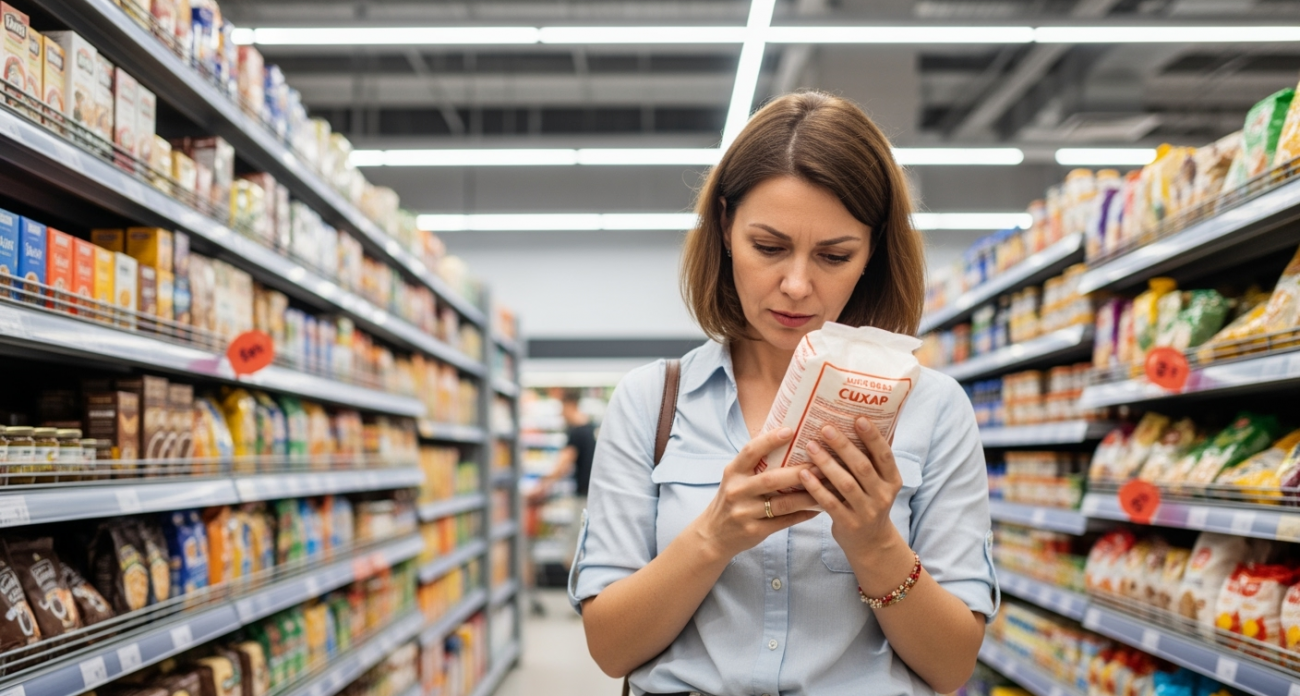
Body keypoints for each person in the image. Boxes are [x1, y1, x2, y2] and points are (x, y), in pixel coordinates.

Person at [568, 91, 999, 696]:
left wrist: (875, 544)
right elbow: (611, 650)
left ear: (873, 250)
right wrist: (713, 535)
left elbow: (952, 666)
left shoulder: (935, 409)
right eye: (768, 247)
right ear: (724, 225)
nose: (796, 285)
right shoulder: (650, 402)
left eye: (834, 255)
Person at [531, 389, 598, 566]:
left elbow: (563, 464)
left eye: (561, 407)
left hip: (583, 498)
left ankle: (577, 591)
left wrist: (541, 485)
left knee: (574, 552)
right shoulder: (591, 428)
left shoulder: (577, 431)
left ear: (570, 405)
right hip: (594, 497)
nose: (561, 413)